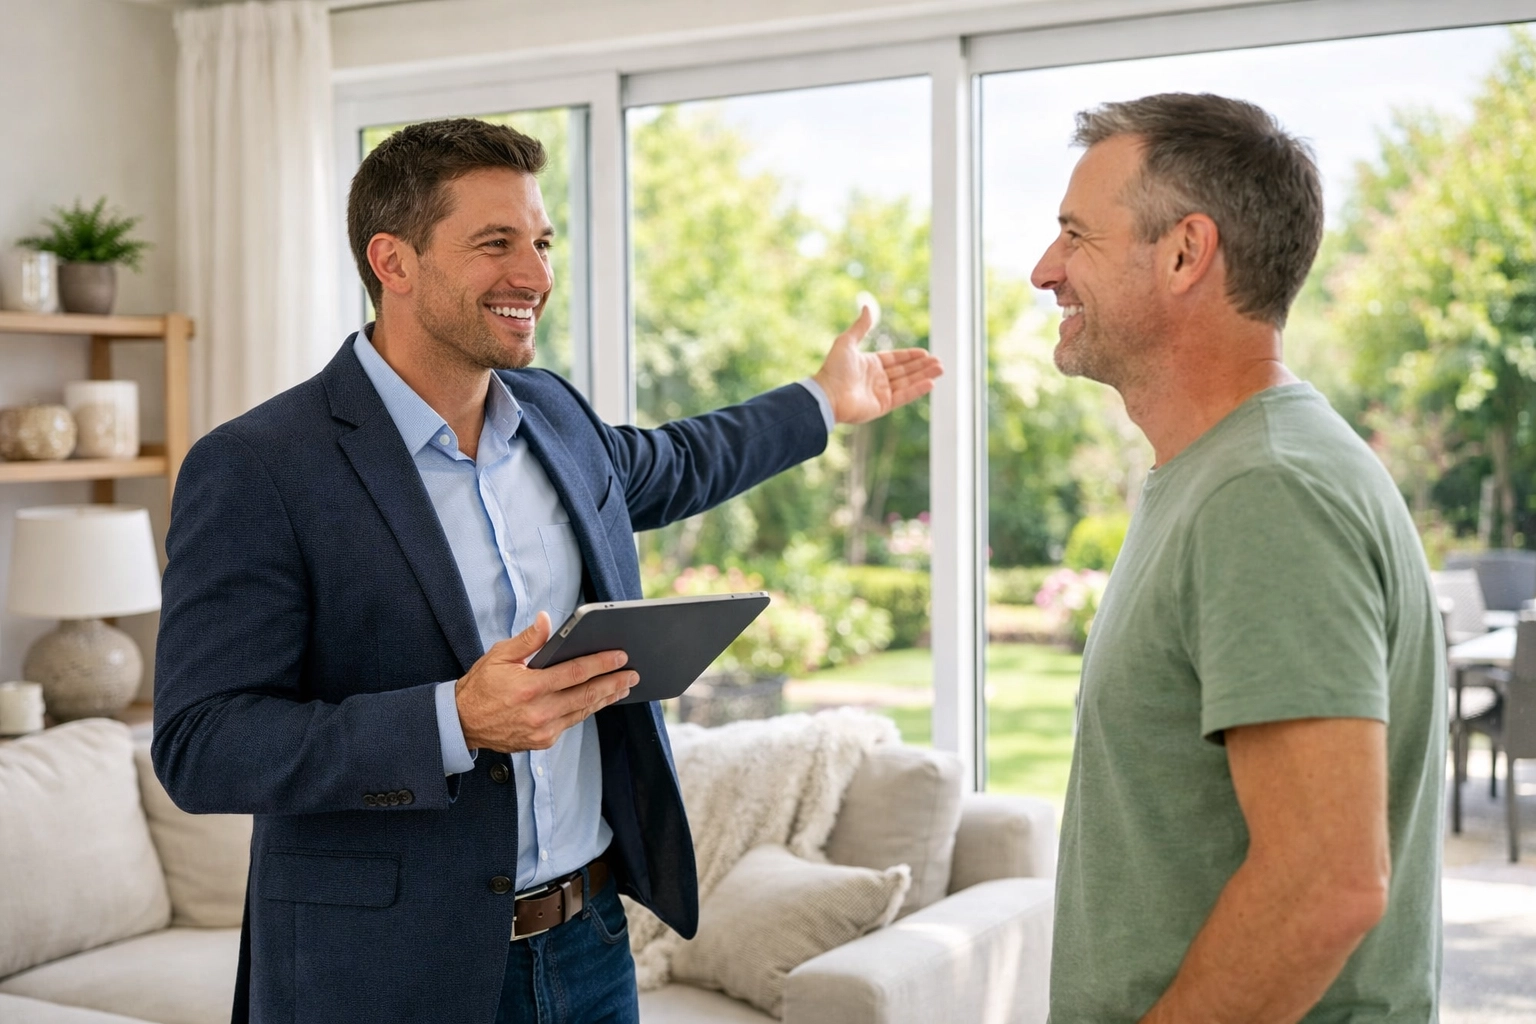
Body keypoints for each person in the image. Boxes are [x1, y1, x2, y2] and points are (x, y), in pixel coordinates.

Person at [152, 117, 941, 1024]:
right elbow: (201, 746)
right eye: (495, 244)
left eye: (540, 241)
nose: (534, 276)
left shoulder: (554, 413)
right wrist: (452, 720)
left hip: (589, 947)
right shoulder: (259, 466)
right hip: (383, 974)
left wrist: (819, 402)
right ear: (392, 263)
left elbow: (678, 461)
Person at [1029, 94, 1443, 1023]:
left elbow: (1326, 884)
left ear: (1184, 253)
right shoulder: (1222, 473)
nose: (1043, 271)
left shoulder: (1268, 491)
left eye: (1075, 237)